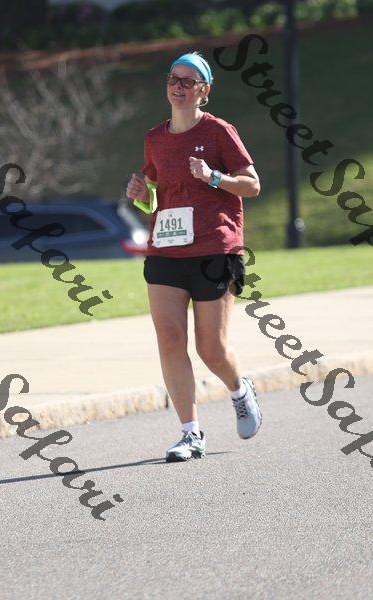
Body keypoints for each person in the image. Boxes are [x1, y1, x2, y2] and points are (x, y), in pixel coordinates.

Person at [126, 51, 262, 462]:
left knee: (211, 349)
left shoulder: (219, 132)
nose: (178, 87)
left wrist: (213, 176)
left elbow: (252, 185)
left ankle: (240, 389)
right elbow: (157, 198)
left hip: (214, 249)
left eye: (188, 81)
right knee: (169, 340)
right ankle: (190, 433)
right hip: (166, 249)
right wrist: (141, 196)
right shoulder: (155, 138)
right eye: (173, 79)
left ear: (204, 90)